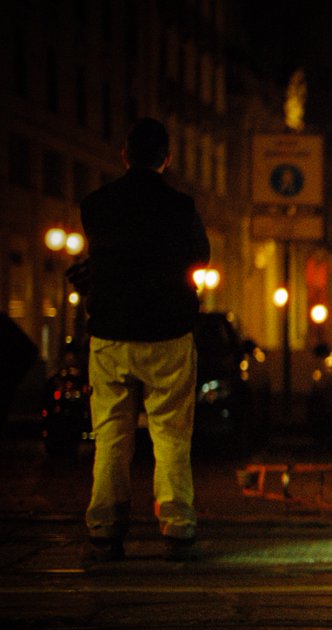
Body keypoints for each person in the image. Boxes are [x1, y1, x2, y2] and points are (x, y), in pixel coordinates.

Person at [79, 118, 211, 564]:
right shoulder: (180, 207)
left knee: (111, 434)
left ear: (125, 154)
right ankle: (177, 526)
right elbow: (199, 256)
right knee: (171, 433)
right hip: (167, 333)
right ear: (166, 158)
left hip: (111, 334)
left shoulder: (97, 205)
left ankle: (105, 528)